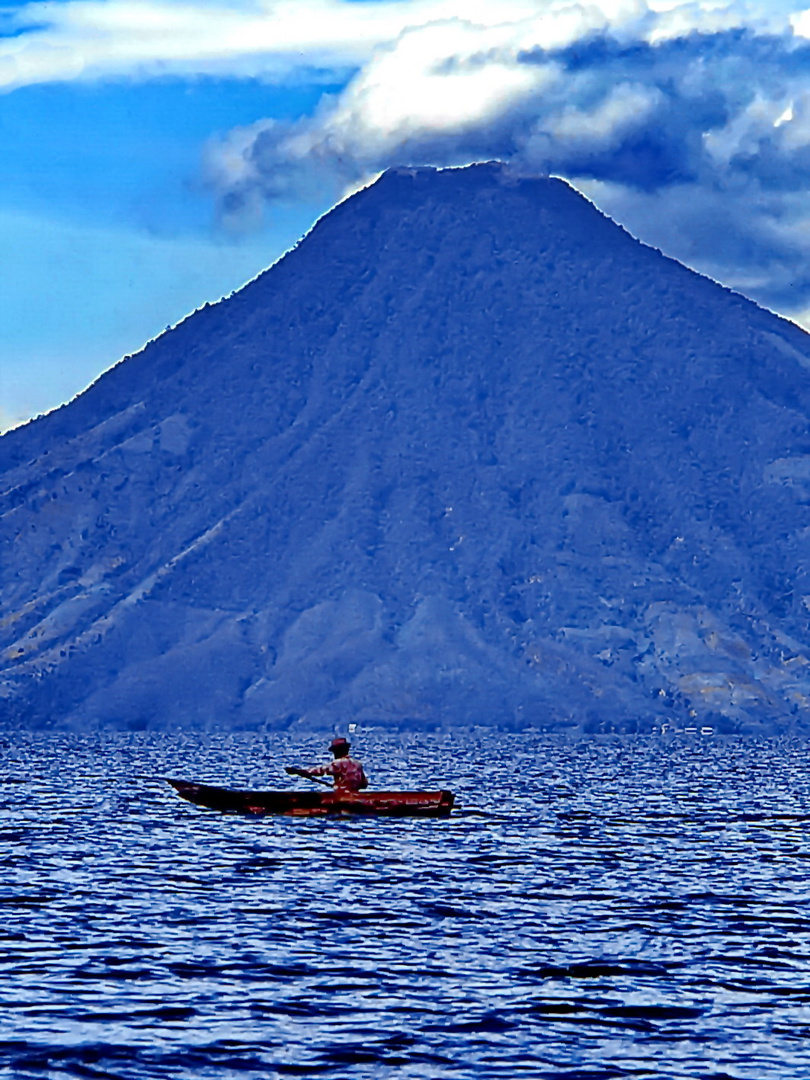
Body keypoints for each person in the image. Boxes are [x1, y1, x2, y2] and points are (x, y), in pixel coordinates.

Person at [288, 736, 369, 792]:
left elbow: (319, 771)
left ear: (337, 751)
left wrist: (299, 771)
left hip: (341, 796)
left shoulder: (338, 763)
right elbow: (364, 784)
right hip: (355, 794)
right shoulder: (357, 764)